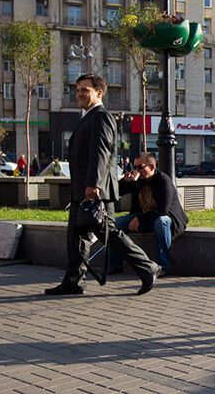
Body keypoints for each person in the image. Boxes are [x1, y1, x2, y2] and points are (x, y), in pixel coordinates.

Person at [44, 73, 162, 296]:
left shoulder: (101, 116)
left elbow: (101, 153)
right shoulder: (88, 117)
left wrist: (93, 185)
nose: (79, 93)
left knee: (109, 234)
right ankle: (73, 281)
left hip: (95, 190)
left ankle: (148, 268)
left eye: (84, 90)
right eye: (77, 89)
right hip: (83, 189)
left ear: (99, 93)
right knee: (76, 236)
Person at [108, 152, 188, 275]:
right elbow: (116, 192)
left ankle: (164, 265)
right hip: (143, 217)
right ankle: (115, 264)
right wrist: (125, 180)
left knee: (161, 222)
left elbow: (162, 211)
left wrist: (140, 219)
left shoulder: (163, 180)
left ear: (151, 167)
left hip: (167, 218)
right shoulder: (138, 180)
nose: (137, 170)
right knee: (114, 225)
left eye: (140, 167)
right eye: (134, 167)